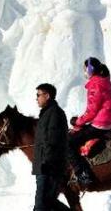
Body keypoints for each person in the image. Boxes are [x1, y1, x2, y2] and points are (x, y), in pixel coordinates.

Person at [67, 57, 111, 187]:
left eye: (85, 69)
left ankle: (83, 174)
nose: (84, 72)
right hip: (106, 122)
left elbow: (91, 111)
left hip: (99, 125)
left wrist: (78, 122)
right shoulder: (103, 82)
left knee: (69, 143)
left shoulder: (95, 85)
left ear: (90, 70)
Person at [32, 83, 69, 211]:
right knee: (48, 203)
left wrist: (46, 163)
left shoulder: (55, 114)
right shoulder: (47, 113)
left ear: (47, 96)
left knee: (41, 206)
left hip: (49, 168)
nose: (36, 98)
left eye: (38, 95)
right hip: (44, 167)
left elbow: (53, 141)